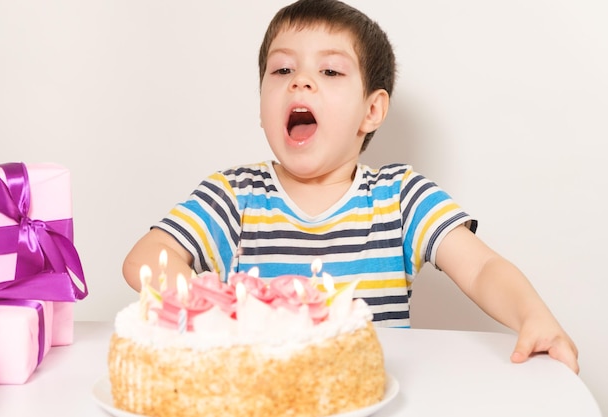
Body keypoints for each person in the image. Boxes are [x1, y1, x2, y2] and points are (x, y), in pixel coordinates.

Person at [123, 0, 579, 373]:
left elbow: (481, 269)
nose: (300, 80)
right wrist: (220, 311)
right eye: (282, 71)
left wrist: (531, 315)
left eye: (330, 72)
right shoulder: (234, 194)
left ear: (372, 111)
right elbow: (144, 258)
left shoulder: (399, 196)